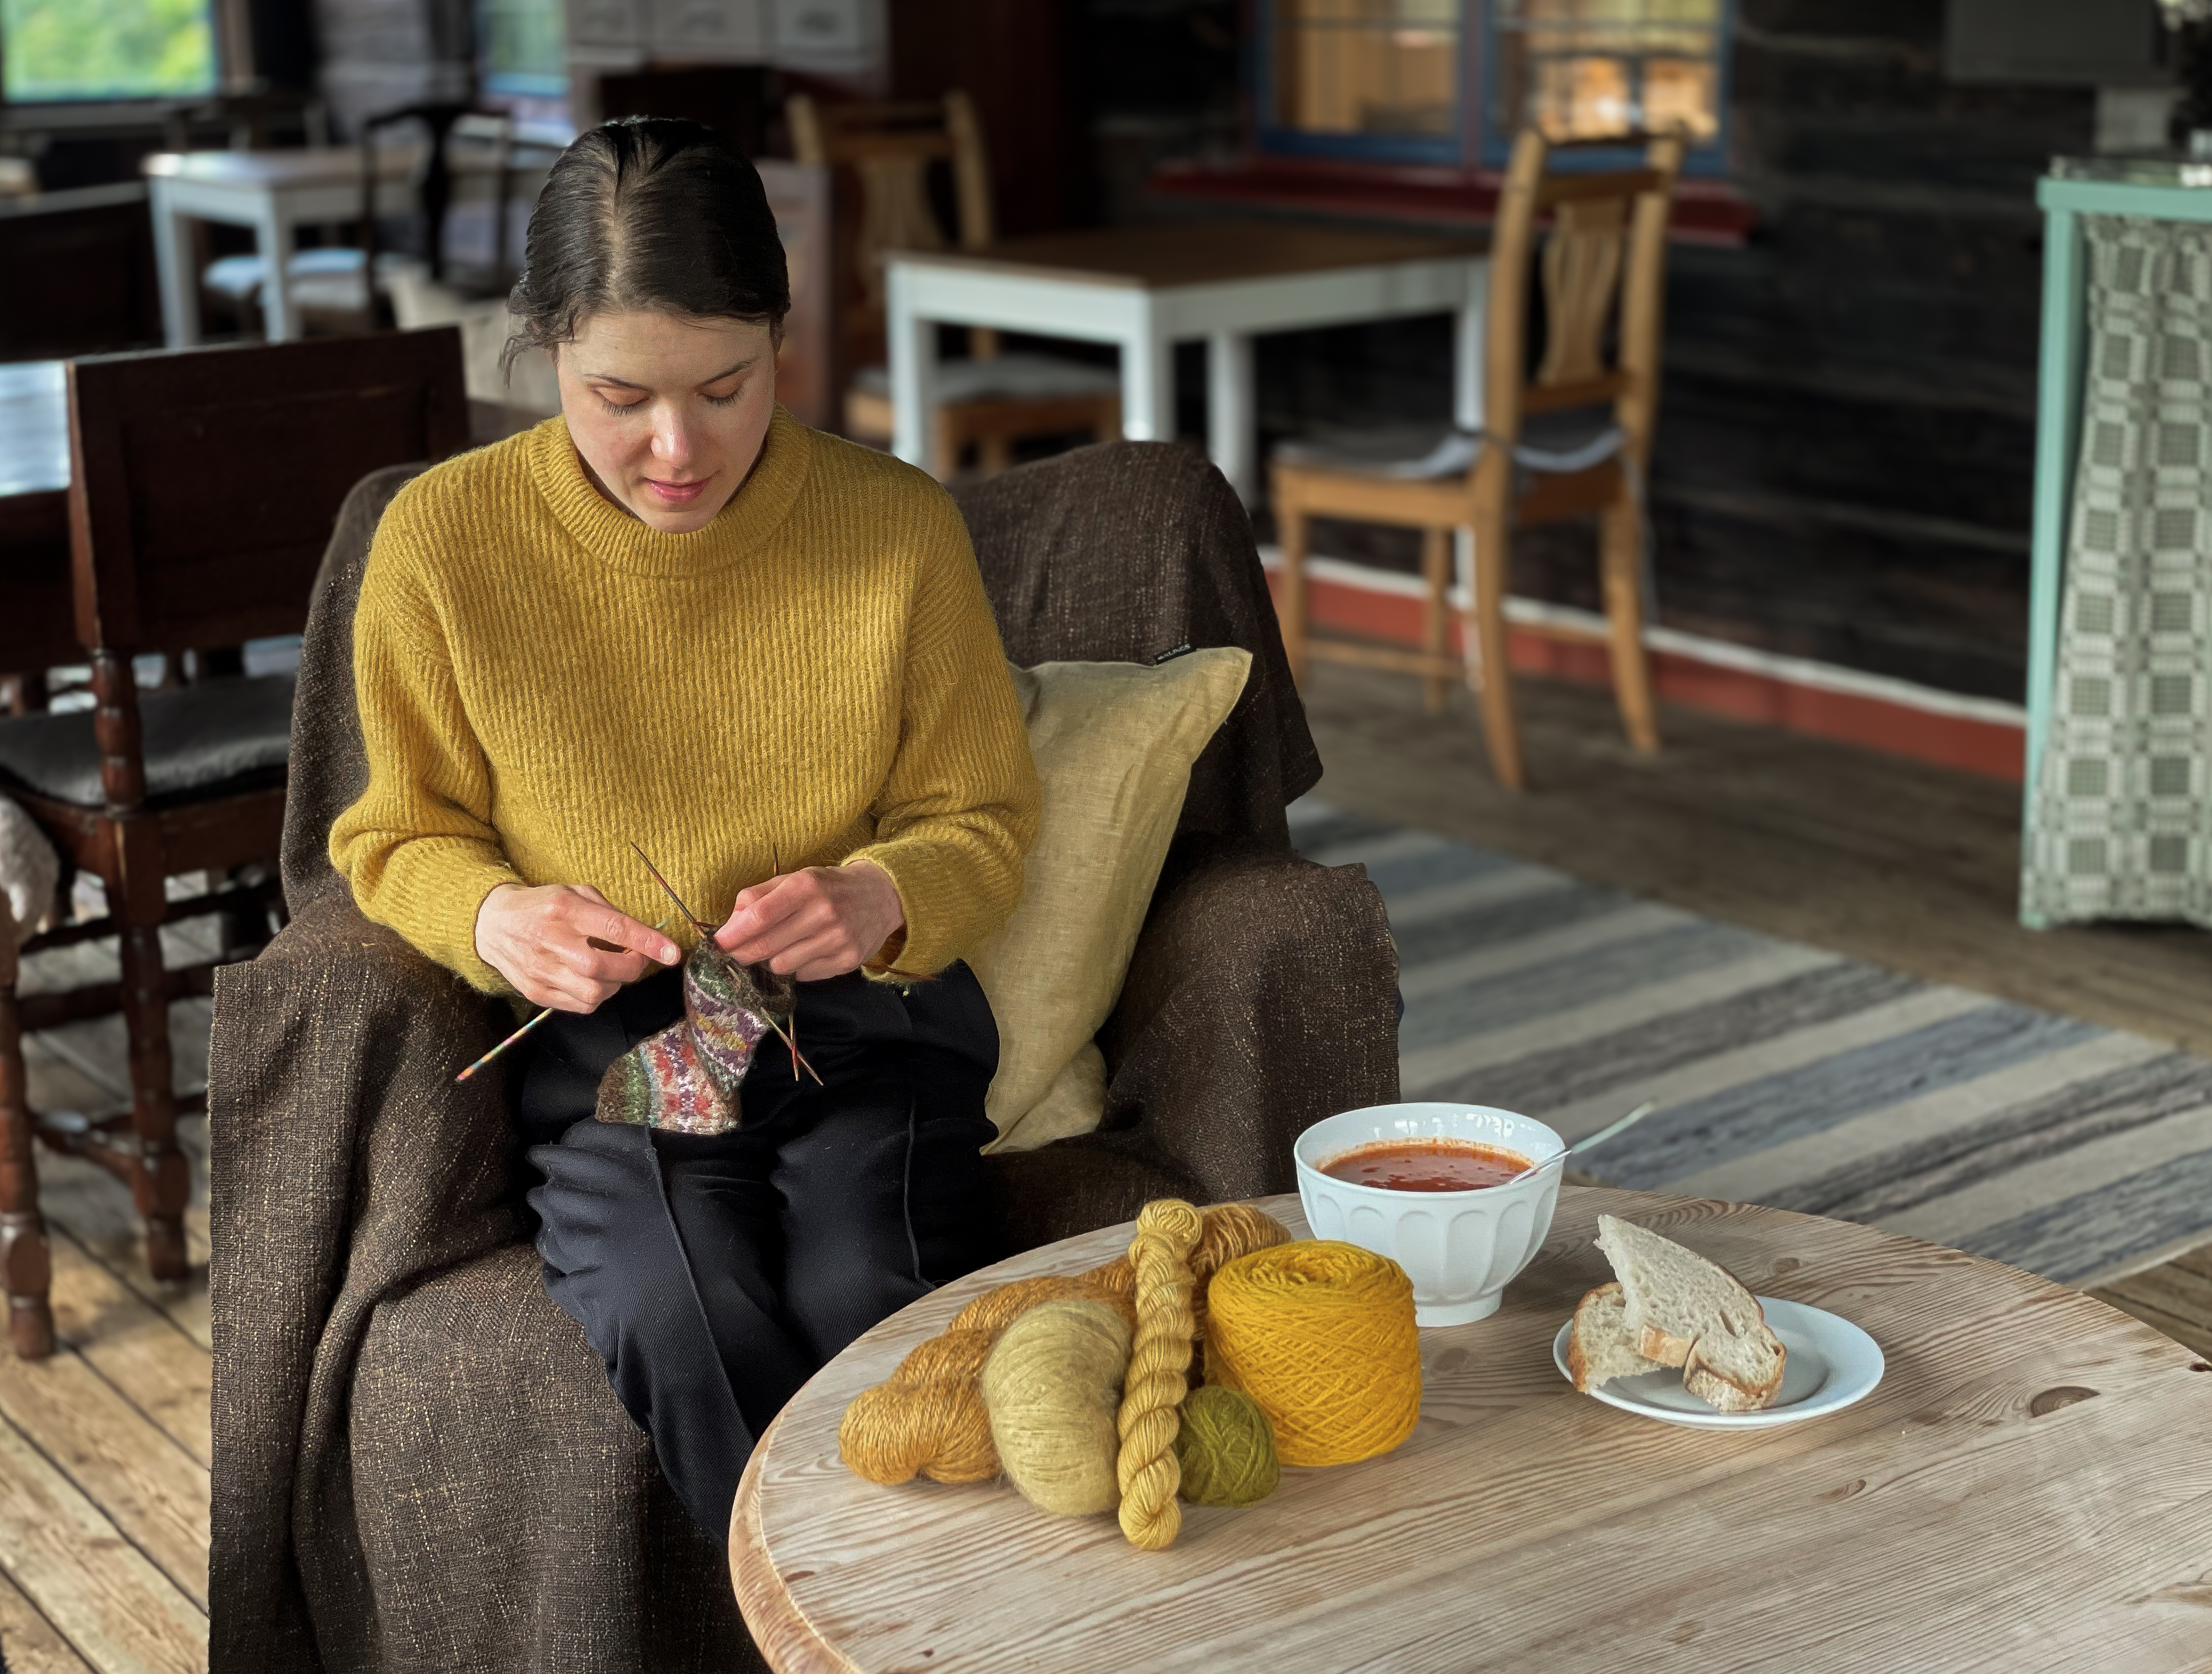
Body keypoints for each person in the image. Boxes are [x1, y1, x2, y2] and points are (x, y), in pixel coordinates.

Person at [328, 116, 1040, 1544]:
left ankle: (905, 1610)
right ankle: (837, 1620)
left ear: (784, 333)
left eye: (726, 387)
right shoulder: (442, 543)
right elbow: (395, 834)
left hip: (859, 1028)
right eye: (618, 395)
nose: (676, 449)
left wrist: (884, 892)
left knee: (865, 1291)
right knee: (675, 1303)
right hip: (608, 1058)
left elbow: (985, 816)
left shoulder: (894, 528)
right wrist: (491, 917)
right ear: (537, 349)